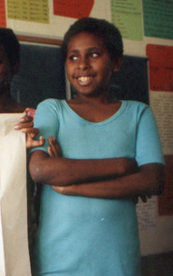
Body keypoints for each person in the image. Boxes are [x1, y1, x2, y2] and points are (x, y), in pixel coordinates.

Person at [28, 17, 165, 275]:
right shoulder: (52, 109)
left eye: (94, 54)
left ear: (116, 61)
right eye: (73, 57)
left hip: (117, 259)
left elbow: (153, 180)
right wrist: (123, 165)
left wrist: (74, 184)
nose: (82, 65)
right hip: (58, 259)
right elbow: (41, 170)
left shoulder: (138, 114)